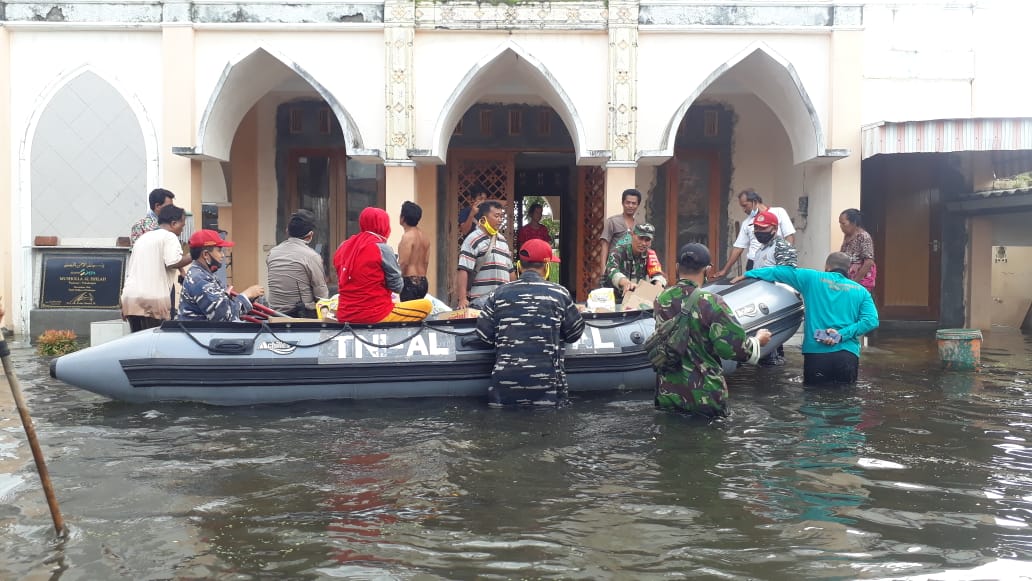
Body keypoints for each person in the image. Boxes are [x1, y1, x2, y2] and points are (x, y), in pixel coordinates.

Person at [653, 243, 772, 418]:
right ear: (708, 270)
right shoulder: (711, 301)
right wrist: (757, 340)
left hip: (668, 394)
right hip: (704, 396)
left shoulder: (660, 298)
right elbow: (735, 349)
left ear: (677, 267)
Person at [475, 239, 585, 407]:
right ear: (546, 267)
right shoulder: (559, 293)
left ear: (519, 266)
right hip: (548, 391)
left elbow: (483, 336)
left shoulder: (498, 294)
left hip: (504, 391)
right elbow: (574, 334)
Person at [744, 252, 879, 385]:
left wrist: (747, 275)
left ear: (827, 267)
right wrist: (840, 335)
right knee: (846, 400)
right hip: (847, 355)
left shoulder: (811, 278)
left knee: (813, 400)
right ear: (849, 270)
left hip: (816, 354)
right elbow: (871, 321)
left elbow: (779, 272)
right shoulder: (861, 291)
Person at [333, 207, 432, 324]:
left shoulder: (343, 246)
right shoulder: (383, 248)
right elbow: (398, 287)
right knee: (426, 305)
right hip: (376, 314)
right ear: (384, 226)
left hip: (345, 314)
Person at [731, 210, 797, 366]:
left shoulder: (782, 247)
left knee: (772, 352)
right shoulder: (760, 249)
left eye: (762, 228)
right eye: (756, 228)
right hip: (760, 301)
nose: (758, 232)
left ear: (774, 228)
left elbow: (787, 273)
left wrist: (750, 273)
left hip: (775, 302)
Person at [120, 205, 193, 332]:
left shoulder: (144, 238)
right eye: (183, 224)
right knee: (152, 344)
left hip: (130, 298)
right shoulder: (169, 237)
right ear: (174, 223)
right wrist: (195, 254)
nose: (183, 228)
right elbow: (173, 261)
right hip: (152, 299)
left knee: (136, 342)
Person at [178, 230, 265, 322]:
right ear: (205, 254)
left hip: (206, 333)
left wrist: (249, 300)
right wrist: (247, 294)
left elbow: (225, 306)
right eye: (219, 250)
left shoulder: (204, 274)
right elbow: (224, 316)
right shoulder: (199, 279)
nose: (222, 255)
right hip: (201, 334)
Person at [713, 189, 796, 278]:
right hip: (754, 263)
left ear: (754, 202)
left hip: (774, 261)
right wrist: (725, 270)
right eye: (756, 228)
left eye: (745, 206)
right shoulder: (747, 223)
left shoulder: (779, 212)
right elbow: (738, 248)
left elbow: (789, 236)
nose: (744, 210)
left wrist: (785, 257)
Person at [266, 209, 329, 318]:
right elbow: (321, 296)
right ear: (310, 235)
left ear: (287, 231)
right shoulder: (311, 256)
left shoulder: (273, 253)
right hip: (301, 316)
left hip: (273, 314)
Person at [455, 200, 516, 309]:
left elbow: (510, 270)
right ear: (483, 218)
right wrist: (462, 298)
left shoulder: (503, 241)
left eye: (501, 216)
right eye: (496, 216)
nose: (500, 220)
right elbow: (463, 269)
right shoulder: (472, 239)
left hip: (503, 303)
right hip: (480, 303)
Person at [605, 223, 667, 301]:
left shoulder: (650, 254)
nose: (643, 243)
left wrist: (658, 284)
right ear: (632, 235)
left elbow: (657, 273)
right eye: (640, 238)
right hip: (613, 299)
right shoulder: (618, 251)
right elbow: (612, 270)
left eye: (647, 240)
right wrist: (626, 283)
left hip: (635, 299)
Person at [599, 188, 645, 274]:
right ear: (623, 203)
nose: (630, 206)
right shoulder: (612, 221)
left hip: (633, 269)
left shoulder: (640, 225)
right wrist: (603, 270)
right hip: (614, 268)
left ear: (638, 205)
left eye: (634, 203)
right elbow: (604, 245)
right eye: (628, 202)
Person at [398, 201, 431, 301]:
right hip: (423, 281)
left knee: (408, 315)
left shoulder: (407, 237)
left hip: (409, 281)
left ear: (402, 218)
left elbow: (403, 262)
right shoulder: (425, 237)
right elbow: (426, 262)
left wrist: (396, 282)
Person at [839, 208, 877, 293]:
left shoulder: (864, 237)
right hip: (848, 280)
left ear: (854, 223)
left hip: (860, 282)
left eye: (843, 223)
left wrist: (854, 282)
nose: (841, 227)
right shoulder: (847, 236)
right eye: (840, 223)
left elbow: (869, 262)